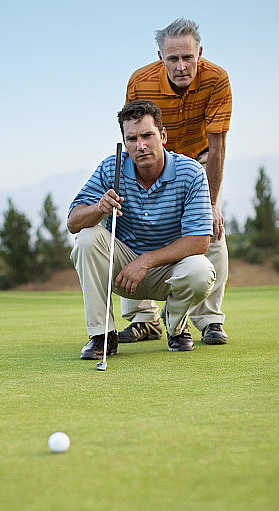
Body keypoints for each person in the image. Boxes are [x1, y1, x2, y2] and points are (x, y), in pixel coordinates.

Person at [67, 100, 215, 357]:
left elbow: (199, 240)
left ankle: (176, 327)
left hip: (169, 270)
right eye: (132, 139)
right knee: (87, 237)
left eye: (147, 135)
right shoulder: (110, 167)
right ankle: (102, 335)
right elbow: (73, 222)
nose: (141, 145)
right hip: (122, 273)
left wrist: (145, 261)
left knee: (200, 271)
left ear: (163, 136)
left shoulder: (191, 172)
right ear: (125, 143)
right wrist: (99, 208)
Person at [118, 17, 232, 346]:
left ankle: (209, 319)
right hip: (153, 160)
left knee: (210, 229)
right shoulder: (139, 81)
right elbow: (133, 130)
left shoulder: (217, 79)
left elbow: (217, 146)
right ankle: (144, 319)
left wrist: (211, 204)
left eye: (187, 57)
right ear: (160, 58)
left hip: (199, 159)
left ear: (200, 54)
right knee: (137, 226)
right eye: (173, 58)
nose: (181, 66)